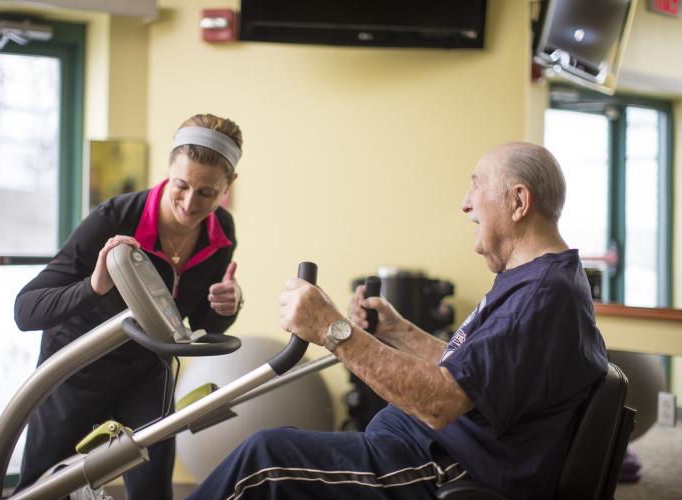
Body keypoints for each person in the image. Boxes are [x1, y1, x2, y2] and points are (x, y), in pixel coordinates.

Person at [187, 142, 608, 500]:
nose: (465, 203)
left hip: (454, 469)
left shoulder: (540, 296)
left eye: (476, 186)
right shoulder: (540, 281)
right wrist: (395, 330)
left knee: (266, 458)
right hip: (432, 449)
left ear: (518, 201)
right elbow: (475, 375)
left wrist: (333, 330)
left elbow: (443, 402)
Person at [13, 113, 245, 500]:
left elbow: (204, 326)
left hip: (147, 371)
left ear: (228, 185)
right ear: (168, 168)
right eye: (181, 185)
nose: (190, 204)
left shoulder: (221, 231)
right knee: (43, 490)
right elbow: (26, 310)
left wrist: (227, 306)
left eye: (207, 192)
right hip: (78, 370)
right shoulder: (114, 219)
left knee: (153, 490)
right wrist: (93, 286)